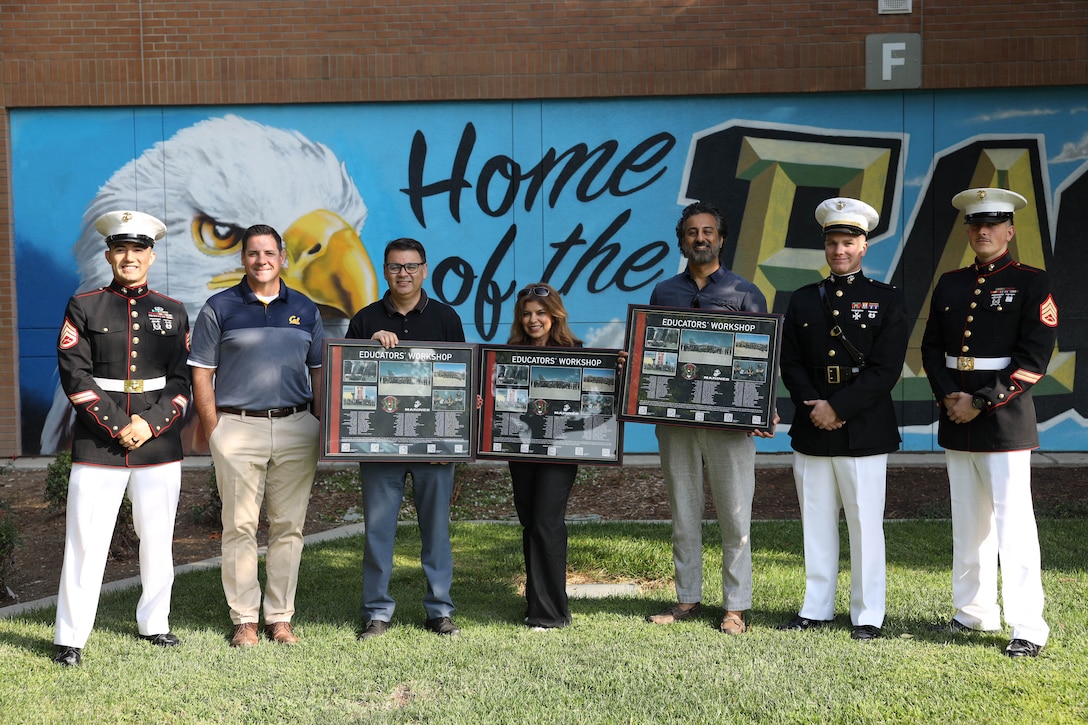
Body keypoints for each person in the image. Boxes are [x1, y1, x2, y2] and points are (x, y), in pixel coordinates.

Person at [920, 188, 1058, 658]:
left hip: (1003, 419)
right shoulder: (951, 283)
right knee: (969, 521)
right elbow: (931, 349)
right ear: (967, 230)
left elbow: (1034, 358)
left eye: (994, 224)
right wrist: (949, 398)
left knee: (1013, 525)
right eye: (975, 224)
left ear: (1009, 230)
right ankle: (974, 611)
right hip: (957, 417)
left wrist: (980, 401)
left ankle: (1028, 625)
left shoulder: (1032, 283)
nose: (983, 231)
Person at [52, 210, 191, 666]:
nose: (129, 257)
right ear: (109, 254)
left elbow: (180, 381)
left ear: (151, 255)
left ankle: (156, 624)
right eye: (121, 249)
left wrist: (149, 423)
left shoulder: (172, 311)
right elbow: (75, 375)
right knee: (86, 541)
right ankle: (70, 637)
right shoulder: (85, 305)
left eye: (138, 249)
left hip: (158, 441)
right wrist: (118, 425)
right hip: (99, 442)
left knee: (157, 539)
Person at [778, 198, 908, 641]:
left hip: (864, 425)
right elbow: (790, 361)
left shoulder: (885, 299)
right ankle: (816, 607)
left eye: (848, 242)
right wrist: (815, 404)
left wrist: (840, 408)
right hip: (813, 422)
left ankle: (868, 613)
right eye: (832, 243)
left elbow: (885, 369)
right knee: (815, 519)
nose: (839, 251)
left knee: (864, 523)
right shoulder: (802, 300)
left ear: (863, 246)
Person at [188, 224, 323, 647]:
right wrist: (215, 431)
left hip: (296, 426)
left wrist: (318, 423)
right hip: (237, 427)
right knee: (240, 526)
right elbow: (201, 374)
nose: (261, 260)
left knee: (289, 528)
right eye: (252, 253)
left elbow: (319, 373)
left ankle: (279, 618)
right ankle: (244, 618)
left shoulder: (306, 309)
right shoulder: (219, 307)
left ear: (283, 257)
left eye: (269, 253)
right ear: (242, 259)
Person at [645, 201, 775, 635]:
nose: (699, 239)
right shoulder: (664, 292)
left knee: (735, 516)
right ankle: (687, 599)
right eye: (691, 232)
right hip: (677, 423)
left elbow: (763, 356)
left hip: (729, 427)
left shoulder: (744, 293)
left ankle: (735, 606)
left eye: (707, 232)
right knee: (684, 513)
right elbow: (655, 351)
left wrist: (765, 405)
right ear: (681, 240)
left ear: (720, 238)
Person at [346, 238, 466, 639]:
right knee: (379, 531)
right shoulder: (364, 319)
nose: (404, 273)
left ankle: (439, 610)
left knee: (437, 530)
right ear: (385, 270)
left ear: (425, 269)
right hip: (379, 446)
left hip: (434, 447)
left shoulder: (447, 318)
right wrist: (369, 347)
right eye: (396, 266)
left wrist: (449, 438)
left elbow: (459, 381)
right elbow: (349, 379)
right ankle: (377, 612)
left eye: (411, 266)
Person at [506, 283, 583, 630]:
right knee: (530, 522)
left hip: (560, 452)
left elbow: (596, 401)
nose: (533, 319)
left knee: (547, 522)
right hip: (521, 450)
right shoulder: (508, 353)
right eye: (526, 313)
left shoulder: (577, 352)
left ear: (555, 315)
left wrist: (618, 370)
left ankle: (551, 613)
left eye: (540, 313)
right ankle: (538, 601)